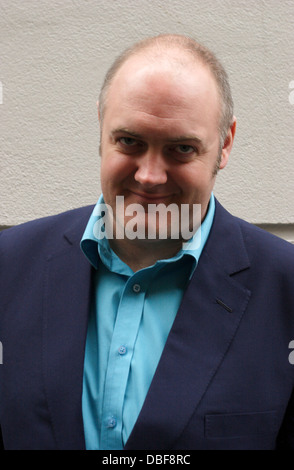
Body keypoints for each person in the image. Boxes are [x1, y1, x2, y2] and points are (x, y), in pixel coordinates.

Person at [1, 33, 294, 451]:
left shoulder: (286, 287)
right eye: (130, 142)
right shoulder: (8, 268)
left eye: (180, 148)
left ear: (225, 144)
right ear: (101, 124)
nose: (150, 177)